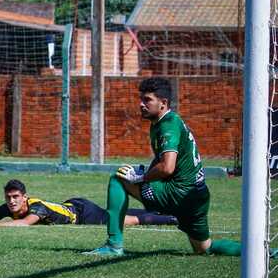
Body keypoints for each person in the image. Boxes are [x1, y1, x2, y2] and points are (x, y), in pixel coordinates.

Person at [85, 76, 244, 257]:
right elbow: (165, 164)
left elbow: (167, 167)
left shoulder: (167, 126)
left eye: (147, 100)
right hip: (198, 197)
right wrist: (146, 171)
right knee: (204, 247)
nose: (141, 104)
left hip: (177, 193)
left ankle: (113, 246)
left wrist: (141, 177)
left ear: (163, 103)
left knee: (118, 180)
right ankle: (263, 252)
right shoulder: (167, 122)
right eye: (141, 99)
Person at [0, 179, 178, 227]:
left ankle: (173, 217)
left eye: (15, 197)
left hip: (83, 214)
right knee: (117, 215)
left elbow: (23, 224)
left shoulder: (36, 207)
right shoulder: (9, 207)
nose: (11, 201)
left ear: (24, 197)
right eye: (9, 198)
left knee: (125, 221)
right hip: (73, 205)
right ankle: (161, 209)